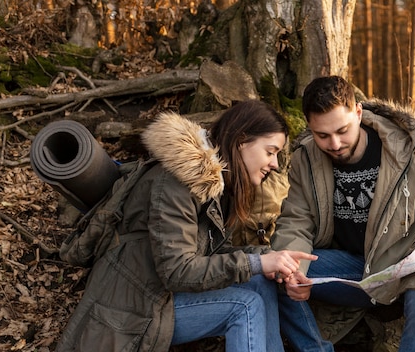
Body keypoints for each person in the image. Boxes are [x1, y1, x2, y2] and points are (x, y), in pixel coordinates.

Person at [55, 100, 317, 352]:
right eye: (270, 151)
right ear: (240, 141)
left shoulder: (215, 185)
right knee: (245, 306)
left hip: (164, 295)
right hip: (134, 308)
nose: (274, 164)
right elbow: (177, 271)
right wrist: (256, 264)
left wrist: (268, 259)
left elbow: (207, 257)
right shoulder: (174, 184)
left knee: (261, 283)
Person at [271, 76, 415, 352]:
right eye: (323, 135)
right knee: (276, 270)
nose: (335, 143)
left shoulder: (411, 150)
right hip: (353, 271)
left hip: (411, 267)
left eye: (342, 130)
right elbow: (296, 222)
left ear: (358, 112)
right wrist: (293, 272)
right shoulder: (306, 160)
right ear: (310, 127)